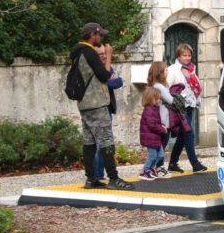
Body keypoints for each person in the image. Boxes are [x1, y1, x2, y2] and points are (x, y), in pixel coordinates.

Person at [70, 22, 133, 190]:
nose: (102, 38)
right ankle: (113, 179)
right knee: (106, 141)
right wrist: (109, 55)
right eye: (100, 35)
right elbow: (105, 75)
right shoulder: (89, 52)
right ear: (92, 35)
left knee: (89, 142)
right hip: (97, 103)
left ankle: (91, 179)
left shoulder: (77, 52)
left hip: (84, 104)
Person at [166, 43, 207, 173]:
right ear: (179, 55)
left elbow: (195, 86)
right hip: (179, 106)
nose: (187, 58)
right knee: (189, 133)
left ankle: (172, 163)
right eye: (184, 55)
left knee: (183, 136)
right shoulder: (173, 69)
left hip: (190, 104)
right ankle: (195, 164)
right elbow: (167, 88)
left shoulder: (191, 69)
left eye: (189, 55)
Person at [92, 43, 124, 182]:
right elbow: (106, 82)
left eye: (105, 53)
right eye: (100, 54)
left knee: (105, 142)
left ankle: (99, 174)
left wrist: (111, 80)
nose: (104, 56)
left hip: (108, 109)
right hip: (98, 109)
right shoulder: (94, 69)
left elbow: (118, 82)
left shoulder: (108, 67)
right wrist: (109, 80)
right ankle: (97, 175)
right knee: (99, 143)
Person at [147, 61, 173, 177]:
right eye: (166, 69)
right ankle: (157, 168)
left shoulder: (161, 85)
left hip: (164, 120)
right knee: (161, 146)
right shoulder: (159, 87)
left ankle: (156, 168)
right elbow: (171, 100)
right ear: (160, 72)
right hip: (161, 121)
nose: (168, 71)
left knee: (162, 145)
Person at [138, 87, 168, 181]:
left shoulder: (154, 108)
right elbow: (152, 125)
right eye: (157, 98)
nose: (159, 100)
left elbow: (156, 123)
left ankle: (151, 169)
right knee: (153, 155)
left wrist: (162, 126)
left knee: (160, 154)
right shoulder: (149, 110)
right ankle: (145, 171)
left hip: (155, 137)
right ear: (151, 98)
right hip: (150, 137)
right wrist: (162, 129)